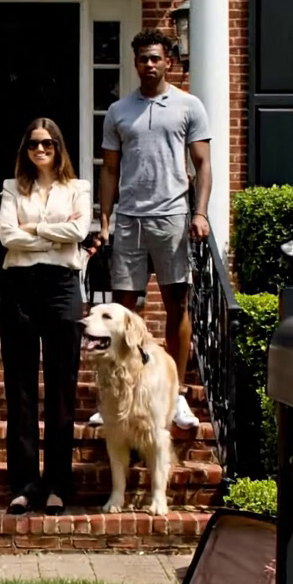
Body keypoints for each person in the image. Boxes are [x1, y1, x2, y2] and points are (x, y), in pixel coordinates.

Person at [95, 28, 212, 431]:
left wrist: (200, 213)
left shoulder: (188, 106)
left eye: (156, 58)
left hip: (172, 217)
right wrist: (105, 220)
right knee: (122, 312)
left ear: (168, 61)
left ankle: (176, 395)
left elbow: (203, 165)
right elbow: (109, 169)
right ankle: (117, 393)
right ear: (135, 62)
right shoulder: (118, 111)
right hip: (129, 218)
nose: (149, 64)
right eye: (143, 58)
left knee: (177, 303)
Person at [0, 118, 92, 515]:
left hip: (62, 287)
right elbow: (6, 235)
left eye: (49, 144)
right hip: (20, 287)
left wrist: (33, 227)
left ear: (59, 148)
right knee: (19, 390)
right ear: (26, 149)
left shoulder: (79, 188)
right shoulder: (10, 188)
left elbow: (80, 230)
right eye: (35, 144)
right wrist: (55, 231)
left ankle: (56, 485)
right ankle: (23, 484)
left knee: (61, 390)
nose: (41, 150)